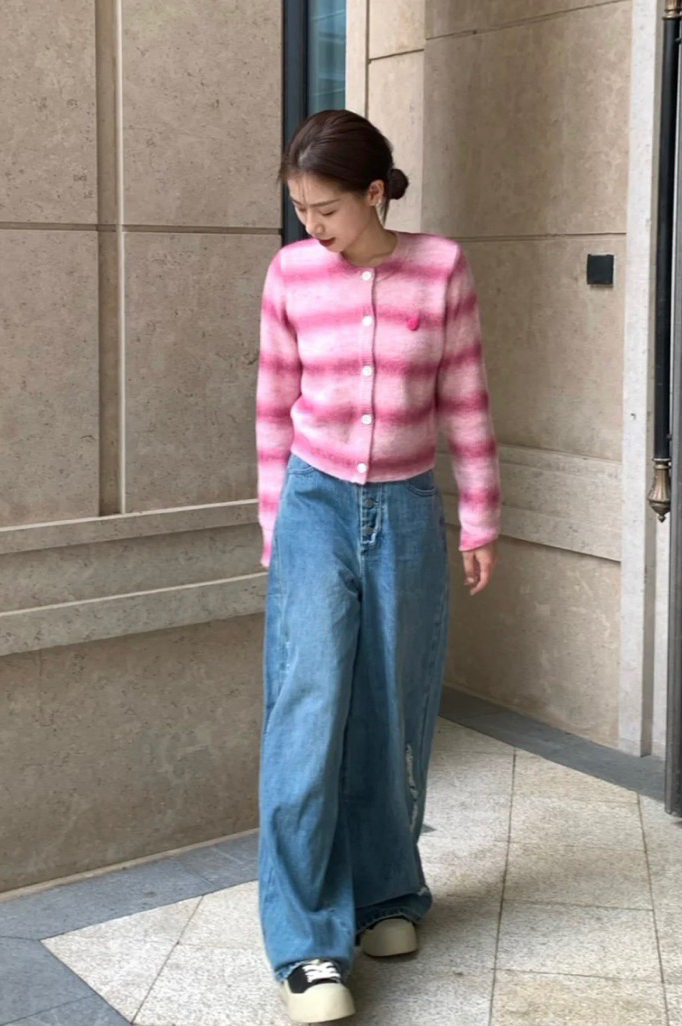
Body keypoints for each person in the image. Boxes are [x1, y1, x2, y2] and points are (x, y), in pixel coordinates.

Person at [255, 109, 500, 1023]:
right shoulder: (290, 274)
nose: (310, 225)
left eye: (325, 209)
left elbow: (465, 397)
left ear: (373, 193)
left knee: (395, 706)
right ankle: (308, 946)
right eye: (300, 208)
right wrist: (278, 533)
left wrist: (480, 518)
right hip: (314, 506)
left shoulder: (441, 268)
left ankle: (389, 893)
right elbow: (273, 404)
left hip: (405, 508)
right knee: (308, 715)